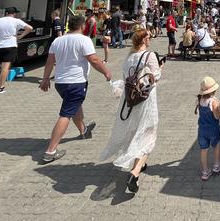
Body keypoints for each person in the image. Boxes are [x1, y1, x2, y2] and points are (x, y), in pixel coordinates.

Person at [39, 15, 112, 163]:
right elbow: (94, 59)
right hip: (76, 82)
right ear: (82, 26)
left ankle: (83, 131)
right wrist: (106, 71)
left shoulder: (57, 41)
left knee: (74, 106)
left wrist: (45, 79)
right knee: (66, 113)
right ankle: (50, 151)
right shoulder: (84, 40)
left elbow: (49, 62)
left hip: (61, 82)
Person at [100, 29, 163, 194]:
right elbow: (155, 76)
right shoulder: (149, 56)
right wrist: (160, 67)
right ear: (144, 40)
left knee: (137, 131)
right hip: (145, 99)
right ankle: (134, 173)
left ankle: (139, 164)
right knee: (148, 134)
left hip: (130, 101)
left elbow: (125, 77)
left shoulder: (129, 58)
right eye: (148, 37)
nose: (150, 39)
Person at [195, 76, 220, 181]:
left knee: (204, 150)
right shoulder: (213, 101)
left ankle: (205, 171)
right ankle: (216, 166)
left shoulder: (199, 99)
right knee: (216, 145)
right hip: (213, 128)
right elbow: (217, 116)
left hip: (202, 130)